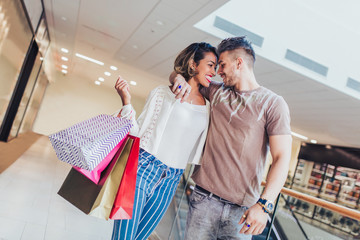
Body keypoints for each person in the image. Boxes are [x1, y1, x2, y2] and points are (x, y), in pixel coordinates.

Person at [170, 36, 292, 239]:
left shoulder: (273, 104)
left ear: (239, 63)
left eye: (223, 65)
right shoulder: (216, 91)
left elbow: (282, 158)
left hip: (242, 212)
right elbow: (177, 74)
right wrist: (179, 79)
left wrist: (264, 205)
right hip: (203, 201)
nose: (218, 71)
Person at [111, 42, 218, 240]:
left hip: (171, 180)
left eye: (216, 67)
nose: (214, 71)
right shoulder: (162, 93)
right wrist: (126, 102)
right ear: (193, 65)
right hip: (143, 169)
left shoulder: (209, 108)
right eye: (210, 64)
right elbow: (137, 133)